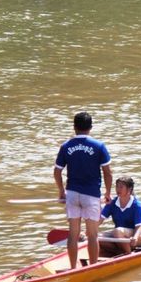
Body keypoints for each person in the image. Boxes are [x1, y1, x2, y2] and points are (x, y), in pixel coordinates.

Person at [54, 112, 113, 268]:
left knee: (73, 234)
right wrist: (107, 193)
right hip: (91, 195)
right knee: (92, 235)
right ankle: (93, 268)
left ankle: (73, 268)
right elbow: (108, 172)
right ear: (91, 127)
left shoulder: (66, 146)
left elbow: (57, 171)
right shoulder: (99, 146)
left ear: (74, 127)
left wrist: (61, 191)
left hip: (72, 194)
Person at [98, 176, 141, 256]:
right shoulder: (113, 202)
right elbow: (100, 219)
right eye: (117, 186)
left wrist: (135, 237)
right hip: (119, 235)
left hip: (138, 236)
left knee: (118, 231)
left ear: (129, 189)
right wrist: (88, 232)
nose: (118, 189)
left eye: (121, 187)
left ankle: (128, 254)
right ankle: (121, 252)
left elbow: (139, 227)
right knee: (96, 237)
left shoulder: (136, 205)